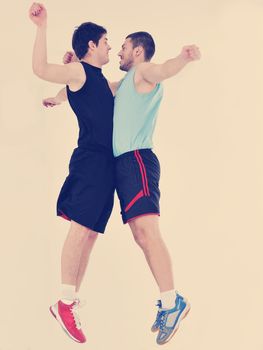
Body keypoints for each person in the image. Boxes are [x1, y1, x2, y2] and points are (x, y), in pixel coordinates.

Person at [47, 31, 200, 345]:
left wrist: (183, 59)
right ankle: (171, 302)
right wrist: (59, 95)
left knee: (147, 230)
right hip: (120, 166)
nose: (118, 52)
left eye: (125, 47)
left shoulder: (143, 72)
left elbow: (163, 70)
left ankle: (172, 302)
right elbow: (91, 91)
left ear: (139, 50)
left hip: (137, 161)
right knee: (139, 233)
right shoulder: (122, 86)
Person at [29, 3, 117, 343]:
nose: (110, 45)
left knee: (91, 235)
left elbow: (76, 92)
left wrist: (56, 98)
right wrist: (42, 27)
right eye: (106, 41)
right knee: (80, 230)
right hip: (91, 161)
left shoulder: (94, 79)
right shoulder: (80, 70)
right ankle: (64, 301)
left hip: (106, 166)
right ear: (91, 46)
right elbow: (40, 68)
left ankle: (68, 302)